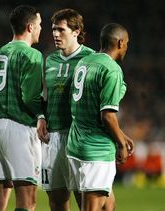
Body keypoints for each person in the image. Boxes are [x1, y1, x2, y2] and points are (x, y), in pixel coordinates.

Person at [67, 23, 134, 211]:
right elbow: (107, 116)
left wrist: (120, 134)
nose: (127, 47)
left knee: (108, 206)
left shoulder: (85, 62)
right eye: (127, 43)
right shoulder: (111, 69)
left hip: (76, 145)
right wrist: (120, 144)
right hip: (95, 150)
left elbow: (88, 108)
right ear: (120, 42)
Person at [0, 5, 43, 211]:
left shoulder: (0, 53)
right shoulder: (31, 55)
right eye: (39, 25)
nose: (41, 29)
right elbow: (30, 97)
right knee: (27, 198)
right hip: (18, 128)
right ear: (29, 27)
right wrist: (43, 114)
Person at [36, 8, 95, 211]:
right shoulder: (50, 60)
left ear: (76, 31)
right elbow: (44, 95)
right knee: (57, 200)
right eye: (53, 29)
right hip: (52, 138)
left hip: (78, 137)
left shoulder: (91, 59)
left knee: (84, 199)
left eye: (61, 29)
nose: (55, 34)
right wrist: (41, 117)